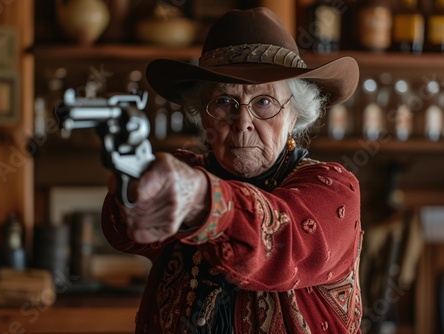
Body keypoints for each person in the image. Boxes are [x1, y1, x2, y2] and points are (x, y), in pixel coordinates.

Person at [101, 7, 363, 334]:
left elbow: (281, 242)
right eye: (224, 101)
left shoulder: (333, 189)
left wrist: (200, 198)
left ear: (294, 115)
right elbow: (123, 231)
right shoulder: (186, 170)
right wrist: (132, 185)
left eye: (264, 102)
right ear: (203, 114)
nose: (242, 123)